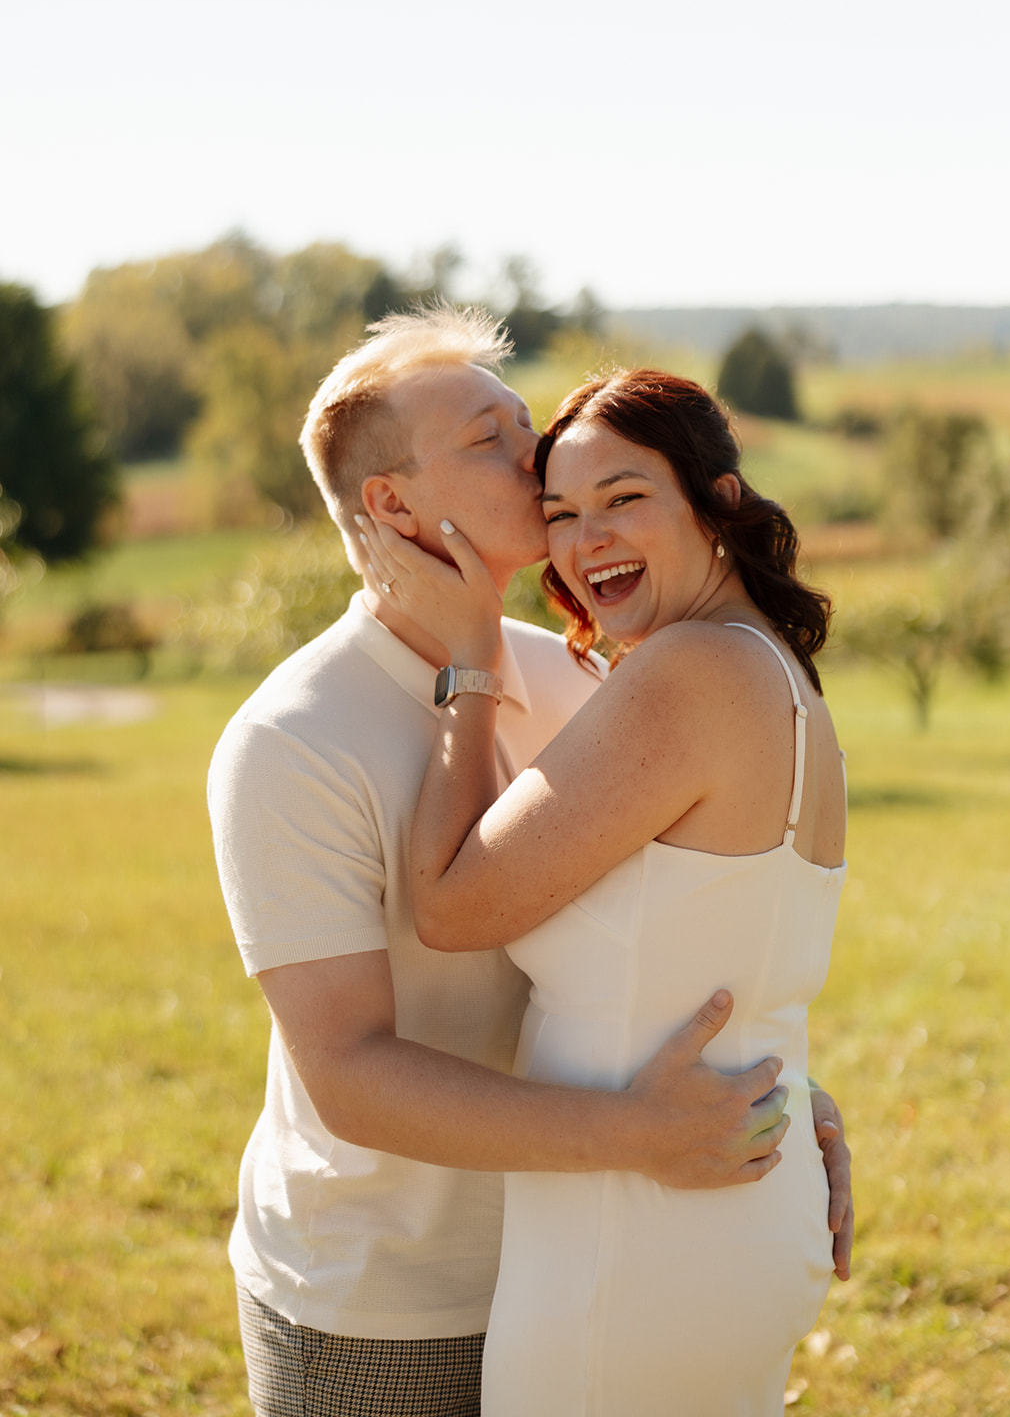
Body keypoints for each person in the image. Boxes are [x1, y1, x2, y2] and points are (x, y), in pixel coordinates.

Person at [208, 305, 852, 1417]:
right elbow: (348, 1074)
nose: (535, 452)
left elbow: (655, 933)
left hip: (583, 1240)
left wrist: (768, 1095)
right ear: (394, 503)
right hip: (387, 1298)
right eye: (487, 440)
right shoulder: (290, 740)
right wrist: (643, 1133)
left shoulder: (580, 679)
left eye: (523, 424)